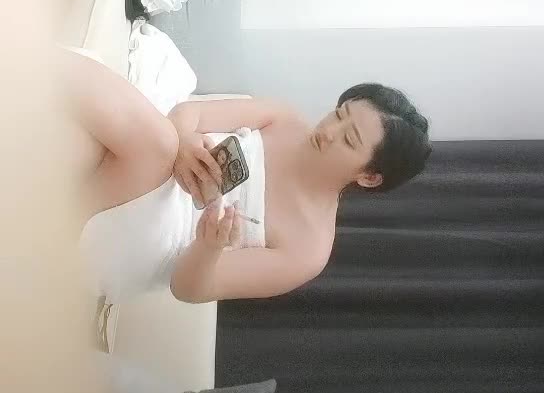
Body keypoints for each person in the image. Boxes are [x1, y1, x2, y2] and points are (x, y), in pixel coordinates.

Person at [66, 49, 431, 303]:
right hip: (147, 158)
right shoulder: (284, 119)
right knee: (148, 142)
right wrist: (186, 140)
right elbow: (189, 114)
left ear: (369, 177)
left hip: (143, 239)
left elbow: (188, 289)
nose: (328, 131)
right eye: (339, 114)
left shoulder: (308, 250)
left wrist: (209, 246)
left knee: (152, 143)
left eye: (348, 139)